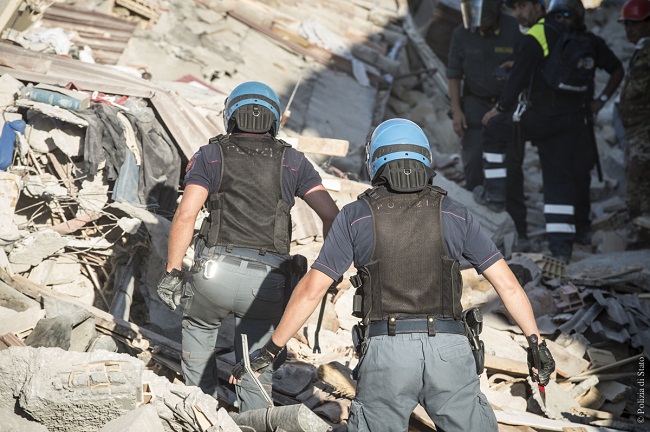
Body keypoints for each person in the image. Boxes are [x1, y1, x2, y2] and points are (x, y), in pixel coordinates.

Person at [230, 118, 555, 431]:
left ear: (375, 161)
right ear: (425, 158)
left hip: (387, 351)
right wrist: (536, 344)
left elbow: (312, 289)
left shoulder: (356, 217)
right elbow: (507, 285)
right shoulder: (455, 213)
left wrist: (272, 348)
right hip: (450, 351)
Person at [156, 81, 339, 412]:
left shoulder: (211, 155)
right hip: (267, 284)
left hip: (213, 274)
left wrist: (172, 269)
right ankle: (254, 417)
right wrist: (329, 270)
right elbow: (331, 216)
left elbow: (186, 214)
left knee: (198, 332)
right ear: (274, 119)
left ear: (230, 115)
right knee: (257, 366)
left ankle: (200, 411)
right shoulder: (293, 162)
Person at [474, 0, 622, 262]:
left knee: (493, 129)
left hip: (539, 117)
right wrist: (600, 101)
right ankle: (561, 248)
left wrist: (500, 107)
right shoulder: (588, 39)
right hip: (571, 122)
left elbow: (520, 75)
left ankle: (495, 194)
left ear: (541, 8)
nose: (518, 14)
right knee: (559, 181)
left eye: (521, 7)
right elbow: (617, 69)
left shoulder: (539, 33)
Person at [447, 0, 522, 191]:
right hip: (475, 105)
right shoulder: (461, 34)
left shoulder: (514, 28)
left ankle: (509, 209)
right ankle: (477, 206)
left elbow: (527, 66)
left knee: (510, 162)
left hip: (507, 106)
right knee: (473, 160)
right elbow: (454, 75)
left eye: (484, 20)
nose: (479, 24)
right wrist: (456, 111)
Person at [617, 0, 650, 247]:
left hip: (644, 129)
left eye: (634, 24)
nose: (630, 30)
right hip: (636, 129)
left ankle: (642, 234)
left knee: (639, 179)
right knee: (638, 178)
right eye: (626, 25)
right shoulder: (642, 49)